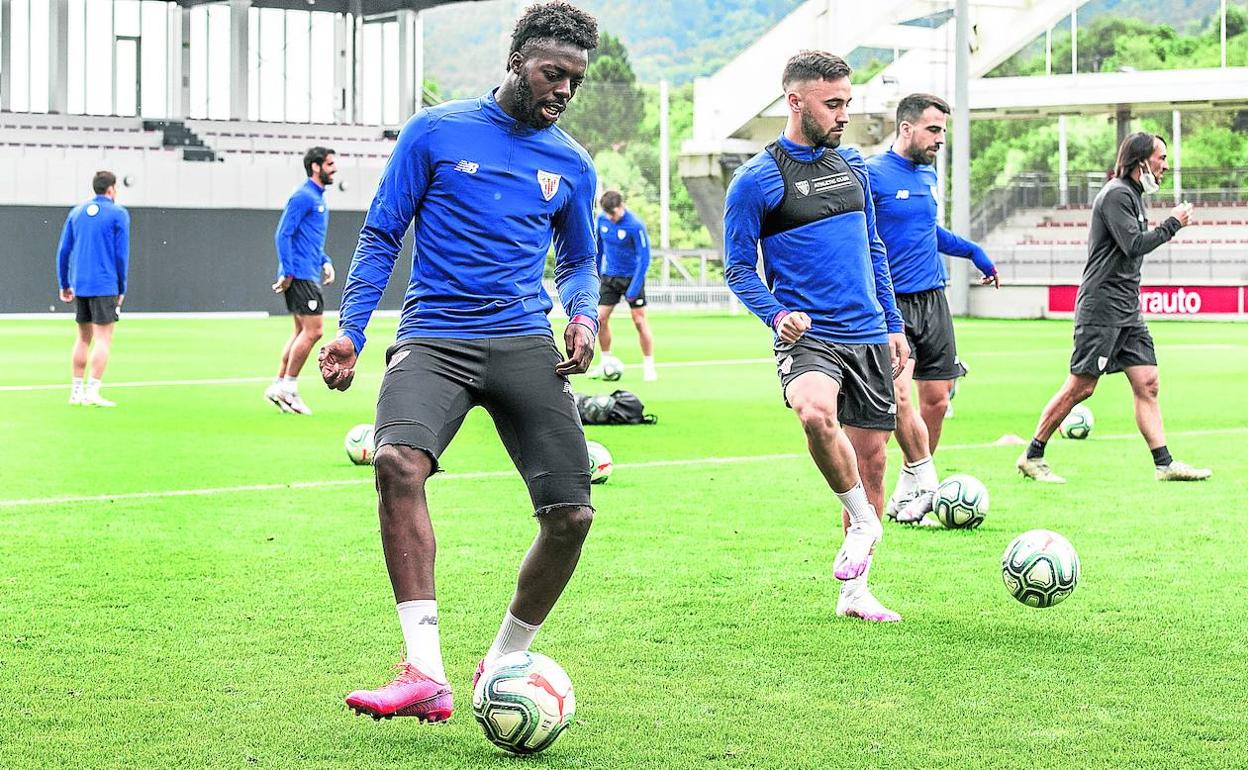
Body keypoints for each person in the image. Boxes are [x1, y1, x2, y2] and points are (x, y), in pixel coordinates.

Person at [318, 1, 601, 722]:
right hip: (435, 337)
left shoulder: (570, 163)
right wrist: (350, 328)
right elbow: (382, 232)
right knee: (396, 464)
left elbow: (578, 260)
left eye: (574, 80)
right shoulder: (435, 132)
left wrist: (582, 313)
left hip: (522, 342)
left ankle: (505, 660)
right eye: (551, 73)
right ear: (515, 62)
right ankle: (423, 670)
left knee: (571, 515)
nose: (562, 90)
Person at [724, 51, 909, 623]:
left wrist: (894, 322)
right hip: (809, 334)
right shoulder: (756, 180)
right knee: (813, 413)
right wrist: (777, 315)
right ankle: (864, 518)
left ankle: (856, 592)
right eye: (833, 103)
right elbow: (737, 269)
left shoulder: (854, 166)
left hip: (869, 332)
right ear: (795, 101)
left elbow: (874, 248)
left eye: (847, 103)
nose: (842, 114)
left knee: (872, 461)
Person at [1017, 132, 1210, 483]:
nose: (1165, 166)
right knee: (1082, 386)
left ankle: (1164, 464)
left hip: (1126, 309)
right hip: (1102, 306)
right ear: (1141, 162)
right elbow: (1133, 244)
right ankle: (1032, 454)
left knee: (1148, 382)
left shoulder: (1134, 196)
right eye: (1160, 158)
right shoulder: (1117, 194)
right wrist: (1173, 224)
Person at [865, 93, 998, 523]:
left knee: (937, 400)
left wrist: (974, 251)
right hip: (892, 303)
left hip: (933, 299)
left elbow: (927, 232)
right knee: (900, 395)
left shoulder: (927, 176)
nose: (941, 139)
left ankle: (910, 487)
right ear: (906, 129)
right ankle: (928, 483)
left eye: (943, 130)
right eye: (934, 130)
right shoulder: (872, 176)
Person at [265, 147, 337, 415]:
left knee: (299, 333)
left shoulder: (317, 197)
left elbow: (310, 239)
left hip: (308, 271)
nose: (334, 168)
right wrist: (288, 272)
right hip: (300, 276)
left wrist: (325, 261)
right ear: (316, 167)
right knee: (314, 331)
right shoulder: (303, 196)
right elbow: (282, 234)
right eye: (330, 164)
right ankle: (289, 389)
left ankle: (278, 384)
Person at [56, 170, 130, 408]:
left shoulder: (76, 213)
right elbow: (121, 255)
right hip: (105, 283)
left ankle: (76, 391)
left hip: (81, 284)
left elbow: (63, 251)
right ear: (111, 189)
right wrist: (122, 286)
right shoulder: (118, 213)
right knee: (103, 339)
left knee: (83, 338)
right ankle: (93, 391)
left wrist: (64, 283)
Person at [589, 189, 657, 381]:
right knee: (600, 319)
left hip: (631, 278)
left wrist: (634, 288)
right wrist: (595, 274)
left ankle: (649, 365)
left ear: (621, 206)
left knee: (639, 321)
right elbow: (598, 249)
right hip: (609, 277)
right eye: (608, 213)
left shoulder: (635, 225)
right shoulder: (602, 221)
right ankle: (605, 362)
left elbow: (644, 258)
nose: (611, 217)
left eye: (614, 213)